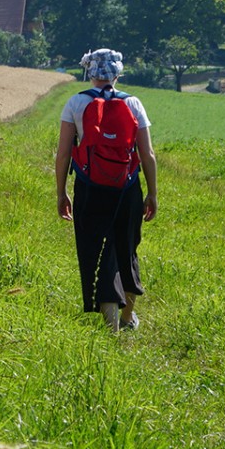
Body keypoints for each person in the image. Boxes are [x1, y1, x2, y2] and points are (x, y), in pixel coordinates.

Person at [54, 48, 158, 331]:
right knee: (126, 249)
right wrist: (152, 193)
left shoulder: (75, 103)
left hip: (90, 188)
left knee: (97, 250)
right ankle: (127, 319)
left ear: (90, 72)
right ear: (118, 73)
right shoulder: (134, 104)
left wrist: (61, 192)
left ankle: (110, 325)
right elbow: (147, 154)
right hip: (128, 188)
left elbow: (63, 154)